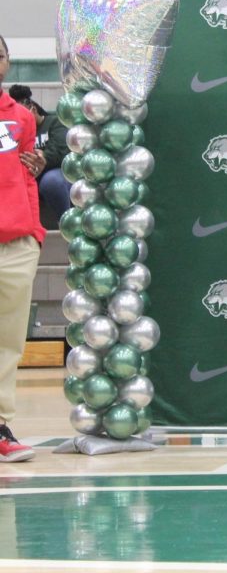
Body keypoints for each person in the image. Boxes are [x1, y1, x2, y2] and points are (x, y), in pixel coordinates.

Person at [0, 34, 43, 463]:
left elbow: (30, 173)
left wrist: (34, 232)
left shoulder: (22, 118)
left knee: (8, 342)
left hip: (16, 243)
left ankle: (0, 426)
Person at [6, 85, 67, 225]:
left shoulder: (54, 122)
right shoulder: (15, 130)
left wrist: (42, 157)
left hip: (52, 171)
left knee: (51, 181)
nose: (20, 120)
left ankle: (65, 223)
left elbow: (60, 149)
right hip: (26, 174)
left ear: (32, 109)